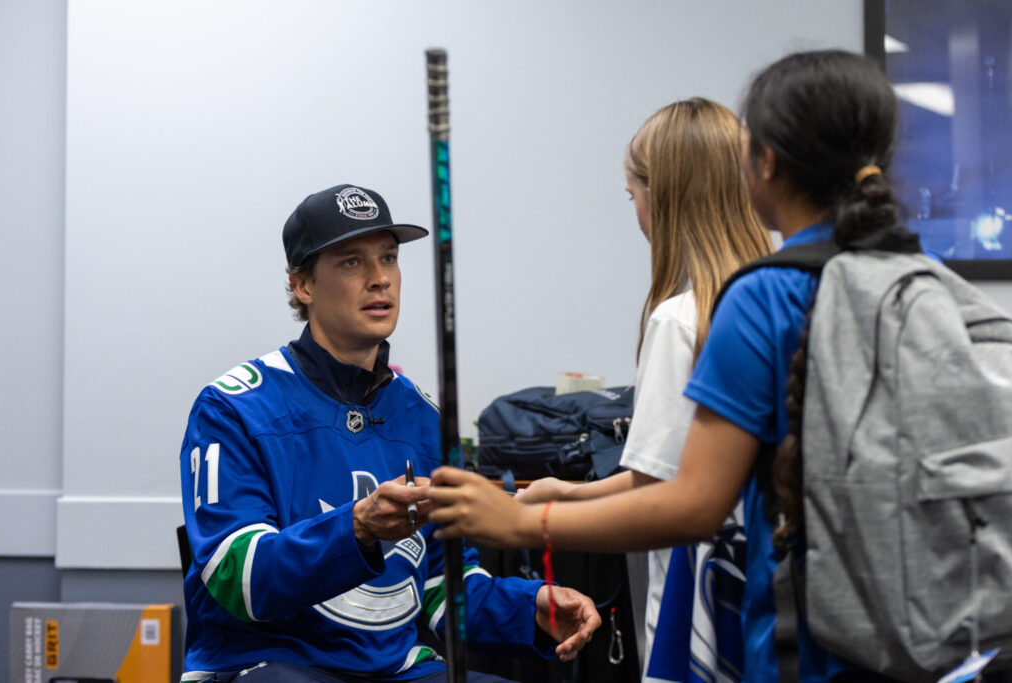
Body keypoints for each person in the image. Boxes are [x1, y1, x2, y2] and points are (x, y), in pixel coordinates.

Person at [428, 50, 903, 682]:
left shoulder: (699, 315)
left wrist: (520, 522)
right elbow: (677, 468)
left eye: (633, 194)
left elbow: (683, 499)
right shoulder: (858, 286)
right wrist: (571, 491)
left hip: (733, 595)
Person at [178, 183, 600, 683]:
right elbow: (240, 579)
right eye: (352, 262)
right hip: (269, 664)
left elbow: (445, 588)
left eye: (389, 258)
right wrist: (358, 526)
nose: (381, 279)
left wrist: (531, 606)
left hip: (397, 670)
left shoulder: (423, 418)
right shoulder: (232, 407)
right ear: (303, 285)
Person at [515, 98, 771, 679]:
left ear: (665, 197)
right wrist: (564, 489)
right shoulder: (777, 302)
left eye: (633, 196)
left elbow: (657, 491)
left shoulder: (681, 321)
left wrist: (544, 511)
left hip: (703, 593)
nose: (635, 213)